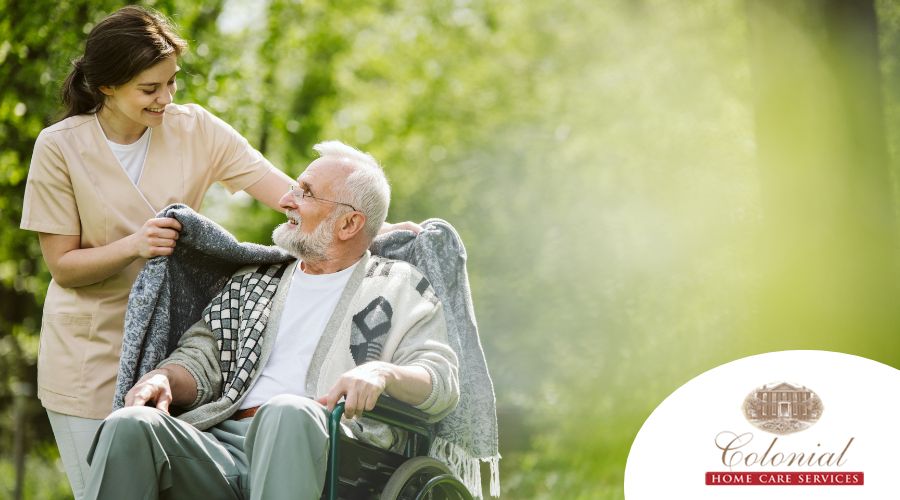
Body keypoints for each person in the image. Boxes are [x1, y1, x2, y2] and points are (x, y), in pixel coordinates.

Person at [18, 7, 415, 499]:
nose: (165, 99)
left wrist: (373, 224)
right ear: (106, 87)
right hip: (90, 354)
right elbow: (63, 266)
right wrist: (133, 247)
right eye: (149, 89)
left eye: (171, 83)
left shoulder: (196, 130)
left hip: (173, 348)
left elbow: (293, 196)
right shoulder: (59, 147)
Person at [83, 141, 460, 500]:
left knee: (287, 410)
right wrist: (163, 376)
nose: (285, 201)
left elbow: (441, 379)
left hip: (336, 450)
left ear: (349, 224)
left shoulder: (398, 286)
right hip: (224, 445)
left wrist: (382, 373)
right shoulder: (255, 282)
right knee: (130, 425)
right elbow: (201, 358)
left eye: (306, 193)